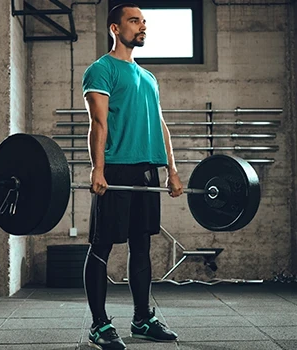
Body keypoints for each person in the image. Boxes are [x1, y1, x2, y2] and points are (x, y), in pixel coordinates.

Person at [82, 3, 184, 349]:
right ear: (115, 28)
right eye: (134, 20)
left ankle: (143, 319)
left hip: (146, 171)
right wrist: (98, 168)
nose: (142, 27)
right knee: (102, 246)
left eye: (144, 21)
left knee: (142, 244)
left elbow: (160, 124)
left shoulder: (148, 77)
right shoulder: (101, 70)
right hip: (115, 169)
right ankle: (99, 325)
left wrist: (171, 169)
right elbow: (98, 123)